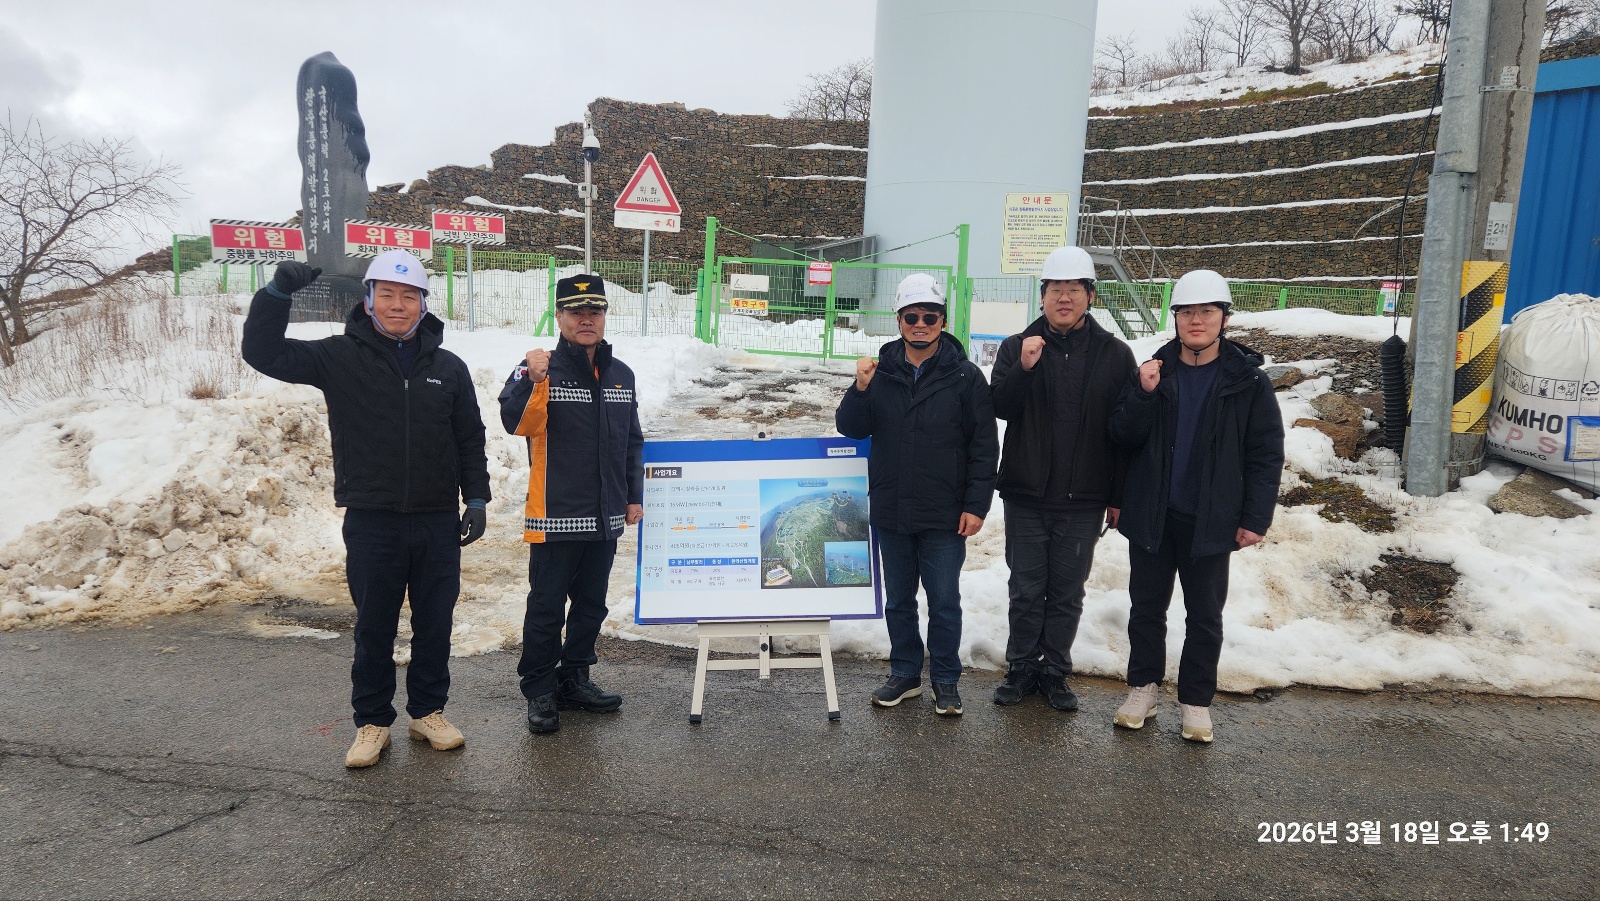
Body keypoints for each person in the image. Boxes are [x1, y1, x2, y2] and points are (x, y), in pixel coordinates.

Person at [241, 251, 491, 768]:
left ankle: (427, 713)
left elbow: (469, 436)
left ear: (423, 304)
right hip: (372, 518)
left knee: (435, 623)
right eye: (387, 295)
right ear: (370, 300)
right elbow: (263, 352)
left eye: (409, 296)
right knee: (374, 626)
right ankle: (372, 721)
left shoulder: (449, 368)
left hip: (435, 519)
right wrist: (276, 296)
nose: (398, 305)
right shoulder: (339, 356)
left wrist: (477, 496)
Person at [1107, 269, 1284, 743]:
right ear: (1176, 319)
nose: (1196, 321)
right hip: (1153, 513)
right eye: (1187, 312)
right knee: (1146, 608)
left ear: (1224, 319)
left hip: (1211, 518)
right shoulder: (1154, 372)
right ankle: (1143, 688)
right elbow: (1122, 436)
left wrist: (1255, 517)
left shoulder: (1247, 382)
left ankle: (1196, 701)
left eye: (1207, 312)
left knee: (1205, 616)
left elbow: (1265, 454)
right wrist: (1143, 394)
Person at [835, 273, 998, 716]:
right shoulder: (879, 373)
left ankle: (945, 679)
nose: (921, 325)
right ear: (899, 320)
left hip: (945, 512)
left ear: (942, 320)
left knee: (944, 601)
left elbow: (984, 447)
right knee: (899, 601)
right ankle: (905, 673)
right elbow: (851, 427)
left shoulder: (965, 377)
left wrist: (976, 505)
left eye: (930, 316)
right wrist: (860, 387)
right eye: (912, 317)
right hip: (892, 507)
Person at [988, 246, 1138, 712]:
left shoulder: (1115, 354)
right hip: (1026, 494)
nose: (1065, 298)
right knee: (1026, 589)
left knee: (1067, 592)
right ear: (1043, 296)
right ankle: (1021, 667)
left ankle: (1054, 670)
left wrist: (1118, 496)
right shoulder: (1017, 346)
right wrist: (1024, 368)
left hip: (1084, 498)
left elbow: (1123, 433)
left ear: (1091, 296)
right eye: (1056, 289)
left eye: (1075, 289)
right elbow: (1000, 407)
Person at [498, 274, 643, 735]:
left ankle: (574, 678)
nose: (586, 320)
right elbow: (514, 422)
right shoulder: (538, 369)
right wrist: (533, 379)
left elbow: (631, 442)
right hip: (555, 513)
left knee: (591, 605)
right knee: (546, 607)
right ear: (559, 317)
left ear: (604, 317)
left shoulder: (621, 375)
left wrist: (632, 495)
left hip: (604, 514)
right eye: (576, 312)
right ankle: (540, 689)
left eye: (594, 311)